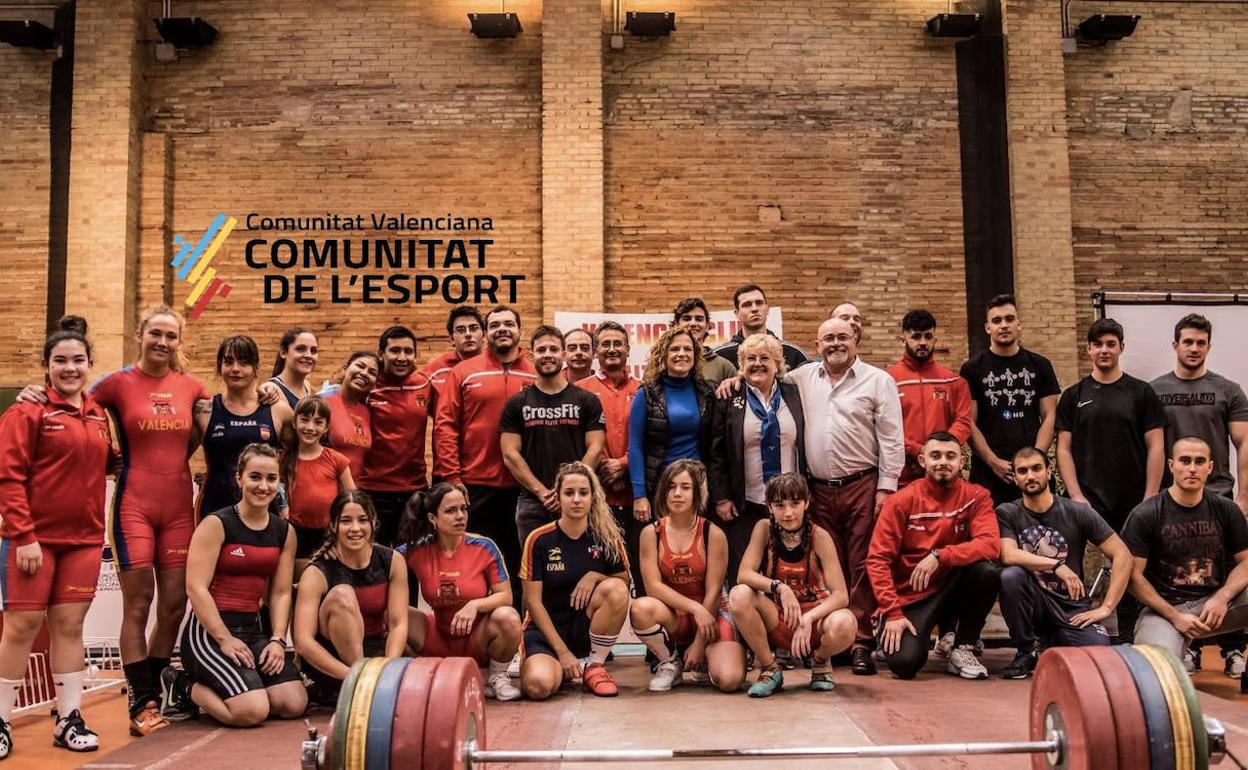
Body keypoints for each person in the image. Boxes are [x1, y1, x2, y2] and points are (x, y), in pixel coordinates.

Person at [17, 306, 211, 734]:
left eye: (170, 336)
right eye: (155, 333)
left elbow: (219, 421)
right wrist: (35, 389)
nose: (162, 342)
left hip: (179, 506)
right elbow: (70, 399)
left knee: (176, 602)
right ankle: (141, 701)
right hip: (133, 506)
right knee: (138, 604)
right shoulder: (115, 385)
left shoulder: (192, 386)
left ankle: (156, 690)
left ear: (179, 342)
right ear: (140, 334)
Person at [0, 322, 112, 758]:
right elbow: (9, 478)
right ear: (46, 367)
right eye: (60, 361)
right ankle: (2, 721)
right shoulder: (26, 412)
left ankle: (68, 719)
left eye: (78, 360)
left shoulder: (98, 413)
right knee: (22, 629)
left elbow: (108, 465)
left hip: (83, 542)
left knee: (69, 628)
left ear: (89, 366)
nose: (70, 368)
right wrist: (24, 536)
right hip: (33, 542)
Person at [787, 316, 904, 675]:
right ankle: (833, 640)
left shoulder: (878, 380)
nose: (835, 344)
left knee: (863, 565)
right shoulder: (801, 379)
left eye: (842, 337)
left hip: (863, 485)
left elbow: (891, 438)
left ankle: (862, 642)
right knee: (826, 567)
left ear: (855, 339)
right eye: (828, 338)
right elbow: (762, 380)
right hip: (818, 489)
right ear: (817, 344)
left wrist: (886, 486)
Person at [161, 444, 306, 727]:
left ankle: (244, 684)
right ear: (239, 478)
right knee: (250, 711)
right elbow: (196, 589)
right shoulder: (217, 523)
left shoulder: (284, 532)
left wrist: (277, 639)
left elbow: (280, 592)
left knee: (293, 702)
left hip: (251, 631)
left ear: (279, 483)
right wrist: (224, 638)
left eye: (271, 479)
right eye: (255, 477)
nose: (263, 486)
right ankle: (181, 684)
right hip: (209, 635)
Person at [1150, 314, 1248, 678]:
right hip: (1171, 499)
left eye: (1200, 342)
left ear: (1208, 346)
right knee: (1179, 575)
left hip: (1219, 495)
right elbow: (1151, 446)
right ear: (1175, 345)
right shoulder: (1154, 391)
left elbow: (1243, 443)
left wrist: (1244, 496)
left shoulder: (1228, 390)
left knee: (1223, 575)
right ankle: (1188, 647)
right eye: (1187, 341)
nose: (1193, 348)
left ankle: (1233, 649)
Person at [866, 432, 1000, 680]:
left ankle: (963, 645)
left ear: (962, 462)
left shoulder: (977, 496)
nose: (943, 462)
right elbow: (878, 560)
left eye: (951, 456)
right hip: (912, 596)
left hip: (952, 585)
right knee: (904, 665)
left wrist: (940, 555)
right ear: (922, 460)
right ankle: (898, 631)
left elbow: (991, 545)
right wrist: (892, 612)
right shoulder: (901, 501)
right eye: (935, 456)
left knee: (987, 572)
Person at [996, 447, 1133, 679]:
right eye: (1023, 471)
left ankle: (1052, 642)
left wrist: (1107, 607)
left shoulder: (1077, 511)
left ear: (1049, 472)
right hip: (1034, 602)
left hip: (1071, 609)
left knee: (1099, 657)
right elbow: (1008, 555)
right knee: (1010, 576)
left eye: (1037, 468)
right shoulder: (1007, 512)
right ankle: (1026, 650)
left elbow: (1123, 555)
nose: (1030, 476)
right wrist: (1057, 566)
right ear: (1015, 478)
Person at [434, 305, 538, 604]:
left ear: (520, 331)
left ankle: (521, 633)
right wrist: (453, 477)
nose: (502, 329)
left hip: (524, 486)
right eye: (495, 325)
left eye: (509, 324)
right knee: (479, 562)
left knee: (523, 563)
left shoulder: (534, 372)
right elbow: (445, 425)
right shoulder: (463, 372)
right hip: (476, 485)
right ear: (486, 333)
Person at [1123, 437, 1248, 672]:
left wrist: (1222, 598)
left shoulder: (1226, 510)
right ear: (1171, 465)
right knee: (1160, 671)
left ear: (1209, 467)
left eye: (1199, 461)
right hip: (1164, 611)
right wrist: (1174, 616)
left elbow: (1246, 562)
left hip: (1217, 606)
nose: (1192, 468)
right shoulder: (1146, 514)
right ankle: (1178, 652)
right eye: (1185, 461)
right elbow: (1132, 578)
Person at [728, 473, 856, 697]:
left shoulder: (820, 536)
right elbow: (743, 574)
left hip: (813, 622)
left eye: (795, 503)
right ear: (769, 507)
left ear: (806, 503)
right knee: (739, 595)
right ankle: (770, 667)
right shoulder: (763, 529)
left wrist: (809, 618)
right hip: (779, 617)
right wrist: (779, 587)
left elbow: (841, 596)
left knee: (846, 622)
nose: (788, 513)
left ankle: (820, 662)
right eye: (780, 505)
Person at [629, 460, 745, 692]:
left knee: (730, 680)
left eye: (685, 487)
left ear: (697, 493)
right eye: (671, 487)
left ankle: (707, 659)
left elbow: (713, 591)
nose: (677, 494)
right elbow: (653, 587)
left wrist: (700, 643)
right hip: (678, 616)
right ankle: (669, 661)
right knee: (640, 609)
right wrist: (695, 609)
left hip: (710, 614)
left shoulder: (713, 533)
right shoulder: (651, 533)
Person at [399, 484, 522, 702]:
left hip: (477, 640)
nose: (460, 516)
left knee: (508, 617)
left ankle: (497, 676)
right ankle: (415, 675)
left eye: (463, 509)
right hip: (436, 637)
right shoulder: (417, 549)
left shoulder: (484, 546)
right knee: (393, 615)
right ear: (432, 518)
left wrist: (475, 605)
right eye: (450, 510)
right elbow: (378, 560)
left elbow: (506, 596)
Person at [519, 462, 630, 699]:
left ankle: (594, 665)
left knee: (615, 589)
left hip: (582, 628)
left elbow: (623, 582)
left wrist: (595, 576)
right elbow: (533, 603)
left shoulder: (607, 537)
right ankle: (555, 665)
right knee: (539, 686)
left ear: (593, 497)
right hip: (546, 631)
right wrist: (562, 653)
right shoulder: (539, 540)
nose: (577, 499)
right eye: (569, 493)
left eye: (583, 493)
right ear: (558, 497)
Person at [707, 333, 806, 585]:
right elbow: (716, 452)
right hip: (745, 503)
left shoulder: (794, 394)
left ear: (778, 364)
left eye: (765, 358)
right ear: (741, 366)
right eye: (750, 358)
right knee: (744, 574)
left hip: (789, 504)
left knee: (786, 571)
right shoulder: (729, 397)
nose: (758, 363)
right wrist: (722, 497)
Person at [293, 491, 408, 704]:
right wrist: (354, 676)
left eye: (362, 520)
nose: (355, 528)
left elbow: (398, 623)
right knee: (342, 594)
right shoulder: (317, 572)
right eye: (346, 521)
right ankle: (362, 683)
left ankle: (373, 683)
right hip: (335, 669)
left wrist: (388, 669)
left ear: (373, 522)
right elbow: (303, 642)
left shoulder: (392, 560)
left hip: (376, 659)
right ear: (334, 526)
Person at [1057, 317, 1167, 535]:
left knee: (1135, 566)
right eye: (1097, 344)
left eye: (1110, 344)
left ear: (1121, 347)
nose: (1104, 350)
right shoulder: (1072, 396)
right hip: (1089, 502)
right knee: (1090, 567)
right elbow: (1063, 449)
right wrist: (1076, 495)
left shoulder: (1142, 392)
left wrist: (1150, 497)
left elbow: (1157, 447)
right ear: (1088, 349)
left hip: (1135, 501)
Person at [501, 325, 605, 547]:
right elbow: (510, 454)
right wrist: (543, 492)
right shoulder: (516, 403)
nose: (547, 354)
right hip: (533, 503)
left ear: (564, 354)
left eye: (553, 349)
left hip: (578, 501)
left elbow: (595, 449)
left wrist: (569, 489)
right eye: (541, 350)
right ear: (532, 355)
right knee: (534, 573)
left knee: (579, 568)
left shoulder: (587, 400)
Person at [959, 294, 1061, 506]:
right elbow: (969, 421)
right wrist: (992, 461)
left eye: (1009, 319)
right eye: (997, 321)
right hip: (989, 472)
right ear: (988, 328)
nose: (1003, 325)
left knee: (1041, 536)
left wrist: (1035, 459)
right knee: (990, 536)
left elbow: (1051, 415)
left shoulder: (1040, 365)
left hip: (1031, 473)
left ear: (1019, 324)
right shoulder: (972, 369)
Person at [578, 321, 645, 591]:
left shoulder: (644, 389)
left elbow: (652, 438)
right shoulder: (580, 390)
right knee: (596, 575)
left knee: (641, 574)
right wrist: (601, 465)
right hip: (597, 500)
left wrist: (625, 464)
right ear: (596, 351)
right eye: (605, 344)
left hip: (636, 499)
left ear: (628, 349)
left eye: (618, 343)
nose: (612, 348)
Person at [628, 326, 714, 525]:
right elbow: (635, 447)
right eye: (674, 349)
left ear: (696, 355)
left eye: (687, 349)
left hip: (698, 486)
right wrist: (639, 495)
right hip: (661, 486)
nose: (681, 354)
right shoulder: (647, 394)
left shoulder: (707, 392)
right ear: (663, 355)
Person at [196, 335, 289, 516]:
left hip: (266, 515)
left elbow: (298, 461)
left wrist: (285, 502)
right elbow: (176, 454)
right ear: (220, 366)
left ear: (256, 369)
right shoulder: (203, 412)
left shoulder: (279, 411)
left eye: (244, 363)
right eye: (229, 362)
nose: (235, 369)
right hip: (216, 512)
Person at [358, 325, 434, 546]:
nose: (402, 357)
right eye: (395, 351)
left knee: (413, 559)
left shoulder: (424, 384)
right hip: (373, 489)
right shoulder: (367, 386)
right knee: (374, 558)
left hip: (414, 489)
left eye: (408, 351)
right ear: (381, 354)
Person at [886, 310, 972, 488]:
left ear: (935, 340)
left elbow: (963, 421)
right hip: (901, 478)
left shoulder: (954, 381)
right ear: (903, 340)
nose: (922, 342)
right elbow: (885, 428)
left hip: (943, 476)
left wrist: (938, 451)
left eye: (928, 336)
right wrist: (918, 450)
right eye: (916, 336)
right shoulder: (887, 380)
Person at [278, 396, 355, 564]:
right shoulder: (282, 460)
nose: (310, 428)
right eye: (304, 420)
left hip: (327, 535)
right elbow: (277, 492)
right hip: (293, 534)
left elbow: (353, 501)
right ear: (294, 422)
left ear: (326, 427)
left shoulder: (337, 460)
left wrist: (339, 536)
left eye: (318, 422)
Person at [714, 285, 809, 372]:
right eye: (747, 305)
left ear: (767, 309)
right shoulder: (720, 356)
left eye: (759, 303)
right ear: (737, 313)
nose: (754, 309)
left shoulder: (794, 354)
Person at [422, 306, 485, 424]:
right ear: (451, 338)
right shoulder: (436, 370)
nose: (468, 334)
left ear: (484, 335)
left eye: (473, 328)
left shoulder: (496, 367)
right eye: (461, 330)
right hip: (446, 440)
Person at [322, 351, 378, 480]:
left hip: (353, 494)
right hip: (325, 489)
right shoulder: (323, 402)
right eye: (360, 366)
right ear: (345, 369)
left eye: (372, 372)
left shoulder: (366, 411)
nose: (364, 373)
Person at [673, 297, 737, 386]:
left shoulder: (724, 367)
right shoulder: (664, 364)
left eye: (699, 319)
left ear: (707, 326)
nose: (693, 324)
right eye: (687, 318)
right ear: (676, 325)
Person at [266, 328, 320, 408]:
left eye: (313, 351)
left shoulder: (307, 387)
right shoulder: (271, 391)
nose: (309, 355)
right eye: (300, 349)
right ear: (283, 352)